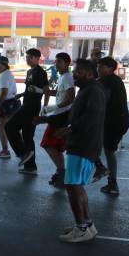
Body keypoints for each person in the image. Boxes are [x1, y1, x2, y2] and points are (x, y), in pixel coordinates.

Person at [55, 59, 106, 243]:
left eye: (78, 72)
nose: (74, 74)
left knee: (72, 186)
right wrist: (46, 119)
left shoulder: (93, 91)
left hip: (83, 145)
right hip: (81, 144)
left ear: (89, 74)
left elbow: (90, 118)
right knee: (76, 185)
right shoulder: (88, 90)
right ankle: (87, 224)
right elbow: (77, 115)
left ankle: (81, 227)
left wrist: (69, 129)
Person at [34, 52, 75, 187]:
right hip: (59, 115)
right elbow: (58, 93)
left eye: (59, 62)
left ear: (67, 63)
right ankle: (61, 172)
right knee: (54, 146)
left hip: (61, 116)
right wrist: (40, 91)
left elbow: (70, 97)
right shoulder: (63, 77)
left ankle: (62, 172)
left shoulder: (68, 77)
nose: (56, 64)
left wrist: (54, 108)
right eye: (56, 61)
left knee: (48, 144)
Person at [6, 48, 48, 174]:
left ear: (37, 58)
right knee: (27, 136)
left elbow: (46, 90)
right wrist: (21, 95)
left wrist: (44, 107)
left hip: (32, 107)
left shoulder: (41, 72)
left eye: (30, 57)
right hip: (26, 103)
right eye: (27, 57)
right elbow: (29, 89)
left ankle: (22, 153)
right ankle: (30, 167)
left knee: (9, 126)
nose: (28, 59)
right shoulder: (30, 71)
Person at [95, 57, 129, 194]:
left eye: (101, 67)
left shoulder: (104, 82)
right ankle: (112, 182)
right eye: (98, 66)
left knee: (91, 144)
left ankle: (100, 168)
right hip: (120, 121)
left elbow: (101, 101)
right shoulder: (116, 80)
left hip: (111, 122)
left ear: (110, 69)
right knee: (109, 151)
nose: (98, 69)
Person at [0, 55, 18, 159]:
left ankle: (5, 150)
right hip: (8, 104)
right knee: (8, 128)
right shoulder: (6, 74)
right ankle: (19, 150)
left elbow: (4, 93)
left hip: (4, 107)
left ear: (5, 65)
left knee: (2, 128)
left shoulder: (5, 76)